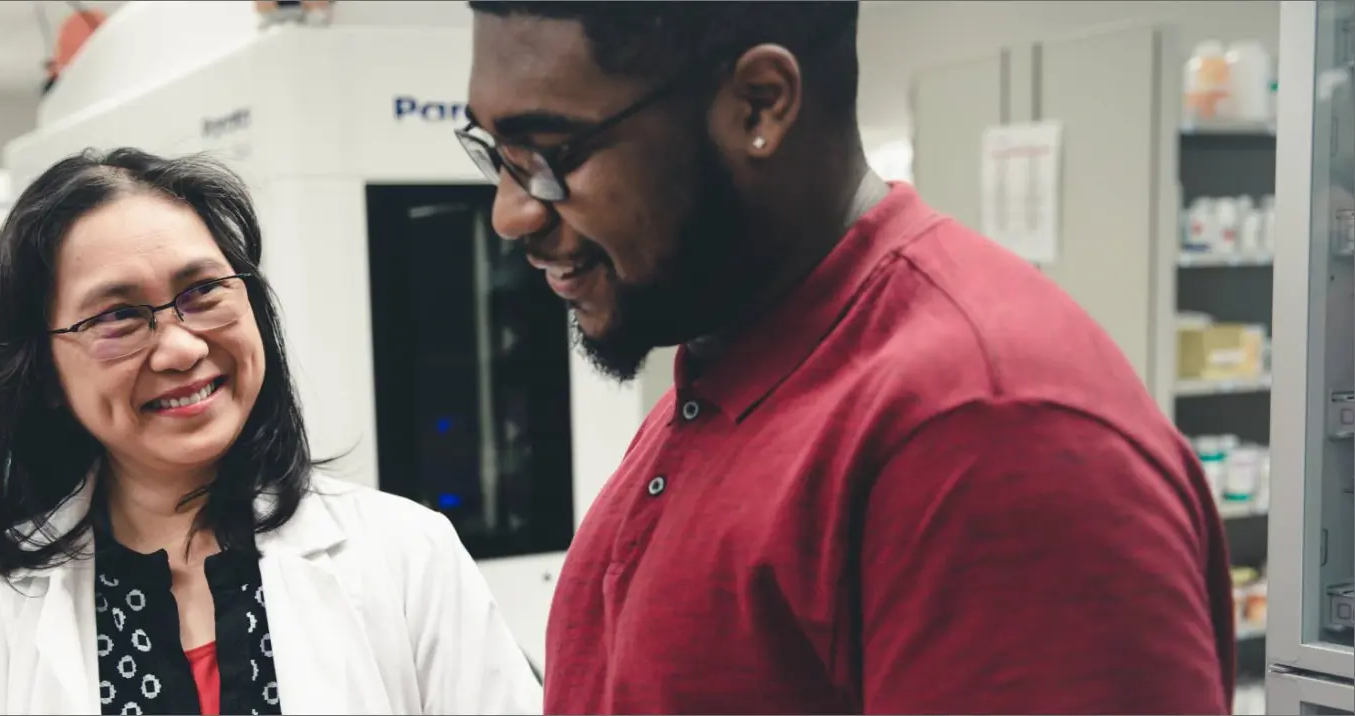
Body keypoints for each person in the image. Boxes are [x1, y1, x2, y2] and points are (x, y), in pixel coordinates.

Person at [459, 2, 1234, 714]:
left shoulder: (984, 432)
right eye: (497, 153)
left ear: (760, 104)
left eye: (550, 152)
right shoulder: (730, 371)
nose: (509, 212)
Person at [0, 148, 541, 715]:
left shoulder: (405, 555)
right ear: (43, 370)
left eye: (203, 292)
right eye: (118, 316)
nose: (181, 348)